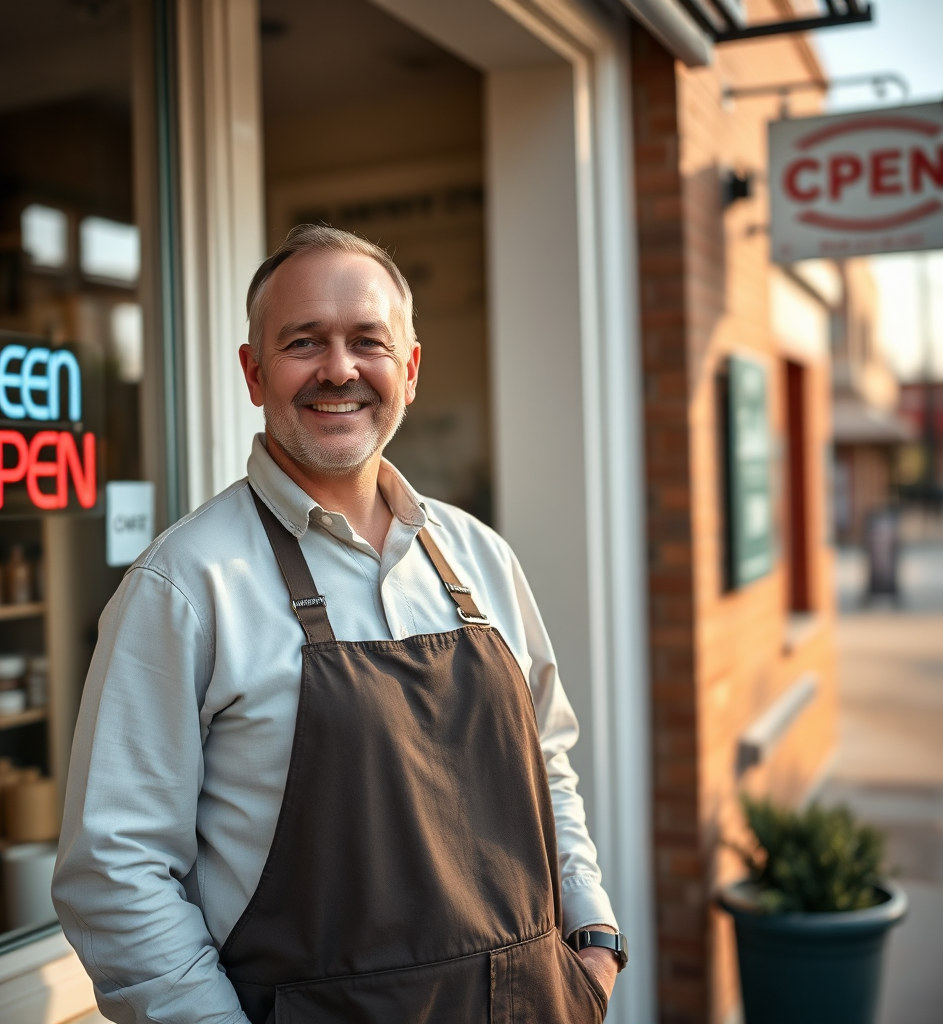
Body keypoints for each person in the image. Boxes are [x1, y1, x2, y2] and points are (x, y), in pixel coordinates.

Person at [53, 224, 627, 1024]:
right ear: (254, 373)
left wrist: (592, 940)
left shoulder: (480, 558)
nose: (339, 369)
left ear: (411, 370)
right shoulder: (184, 585)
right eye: (303, 342)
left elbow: (548, 766)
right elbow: (115, 868)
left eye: (368, 341)